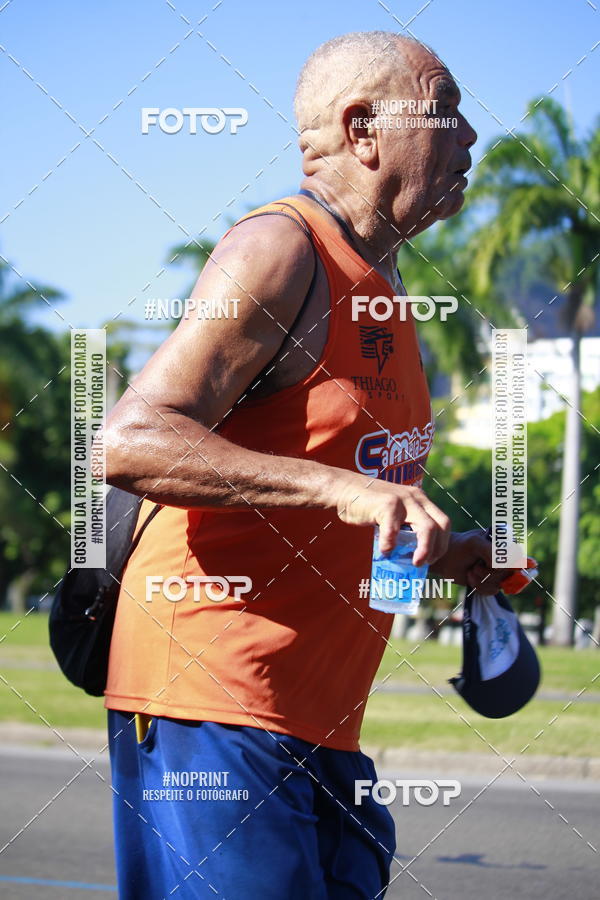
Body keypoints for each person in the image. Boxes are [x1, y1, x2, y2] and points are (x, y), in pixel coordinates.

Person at [104, 30, 502, 899]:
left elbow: (347, 488)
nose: (471, 135)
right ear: (364, 130)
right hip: (212, 696)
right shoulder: (280, 251)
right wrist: (345, 490)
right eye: (446, 111)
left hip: (323, 720)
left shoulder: (387, 286)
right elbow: (129, 440)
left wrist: (445, 552)